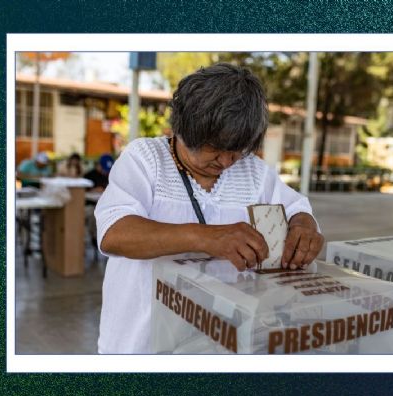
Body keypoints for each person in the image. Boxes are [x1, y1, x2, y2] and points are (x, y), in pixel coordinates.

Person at [94, 63, 324, 353]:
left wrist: (303, 226)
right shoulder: (145, 159)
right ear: (183, 129)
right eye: (215, 148)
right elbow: (115, 234)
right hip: (139, 343)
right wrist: (206, 237)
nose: (226, 162)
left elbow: (296, 208)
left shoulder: (253, 172)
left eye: (237, 150)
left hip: (214, 342)